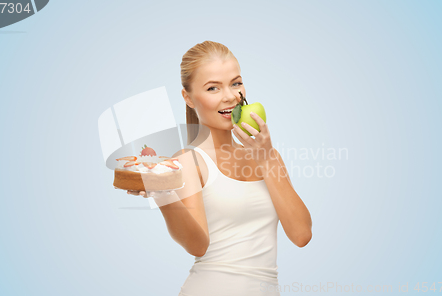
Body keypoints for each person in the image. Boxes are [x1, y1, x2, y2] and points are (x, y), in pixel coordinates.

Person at [128, 40, 312, 296]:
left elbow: (301, 234)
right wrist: (163, 193)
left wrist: (267, 158)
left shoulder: (269, 156)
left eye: (236, 83)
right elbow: (197, 245)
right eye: (213, 87)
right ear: (188, 98)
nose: (229, 96)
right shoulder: (188, 160)